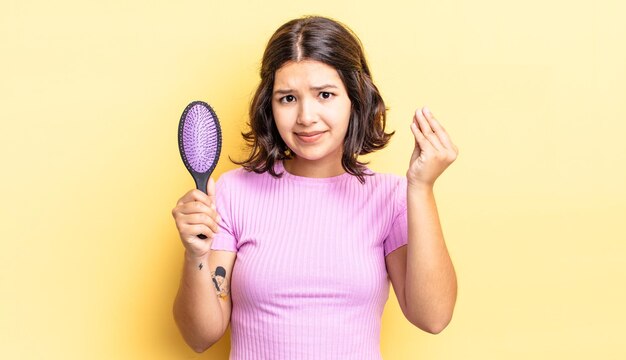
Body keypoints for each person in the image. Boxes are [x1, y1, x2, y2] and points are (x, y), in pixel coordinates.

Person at [171, 15, 458, 359]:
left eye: (325, 94)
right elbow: (200, 336)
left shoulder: (391, 197)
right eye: (287, 98)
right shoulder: (232, 193)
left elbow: (433, 317)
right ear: (270, 105)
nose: (306, 116)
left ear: (355, 97)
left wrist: (421, 187)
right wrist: (195, 255)